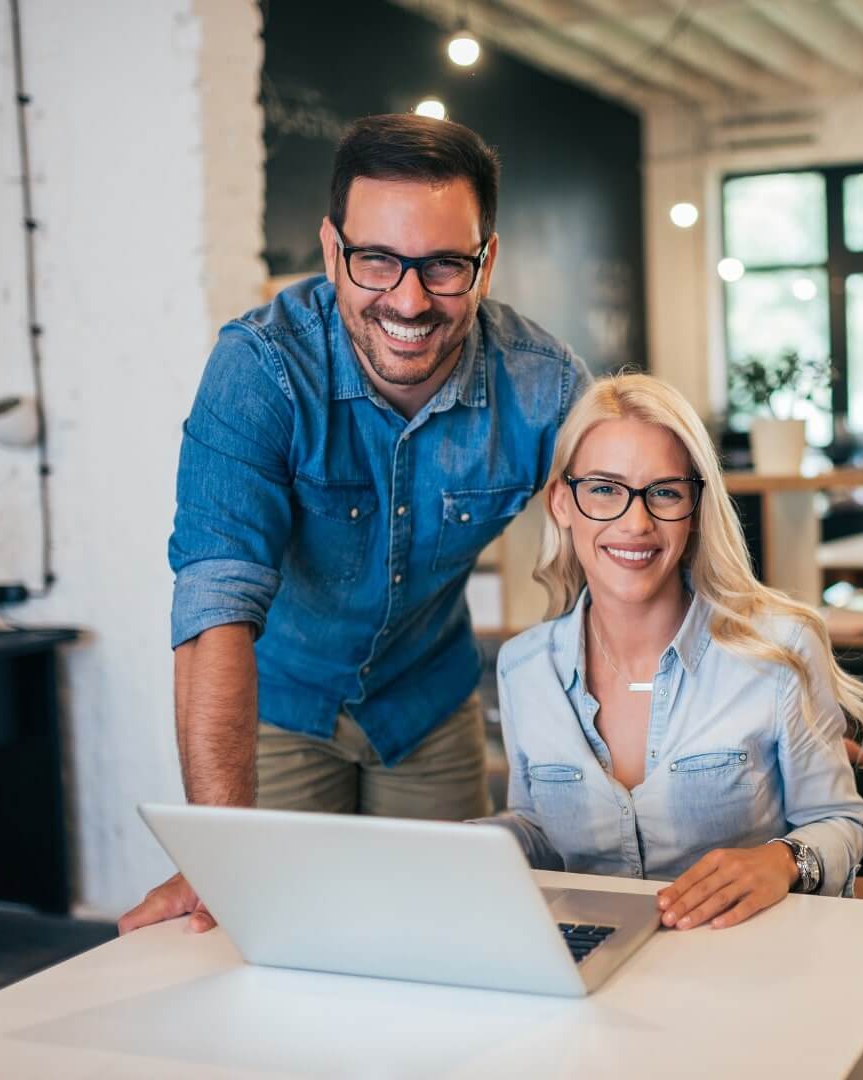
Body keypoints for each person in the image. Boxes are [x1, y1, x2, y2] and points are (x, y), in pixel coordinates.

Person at [118, 114, 590, 934]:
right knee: (272, 940)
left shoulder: (543, 386)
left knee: (450, 943)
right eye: (376, 260)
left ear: (487, 260)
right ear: (333, 250)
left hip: (428, 703)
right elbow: (214, 605)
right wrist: (220, 853)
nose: (408, 301)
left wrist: (776, 703)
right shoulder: (260, 369)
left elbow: (648, 546)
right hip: (278, 705)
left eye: (445, 265)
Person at [479, 373, 863, 931]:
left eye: (664, 492)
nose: (636, 522)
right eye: (604, 489)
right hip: (594, 964)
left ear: (694, 509)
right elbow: (541, 832)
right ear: (562, 504)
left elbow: (839, 821)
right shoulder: (524, 668)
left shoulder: (779, 650)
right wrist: (472, 843)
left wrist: (783, 861)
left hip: (746, 964)